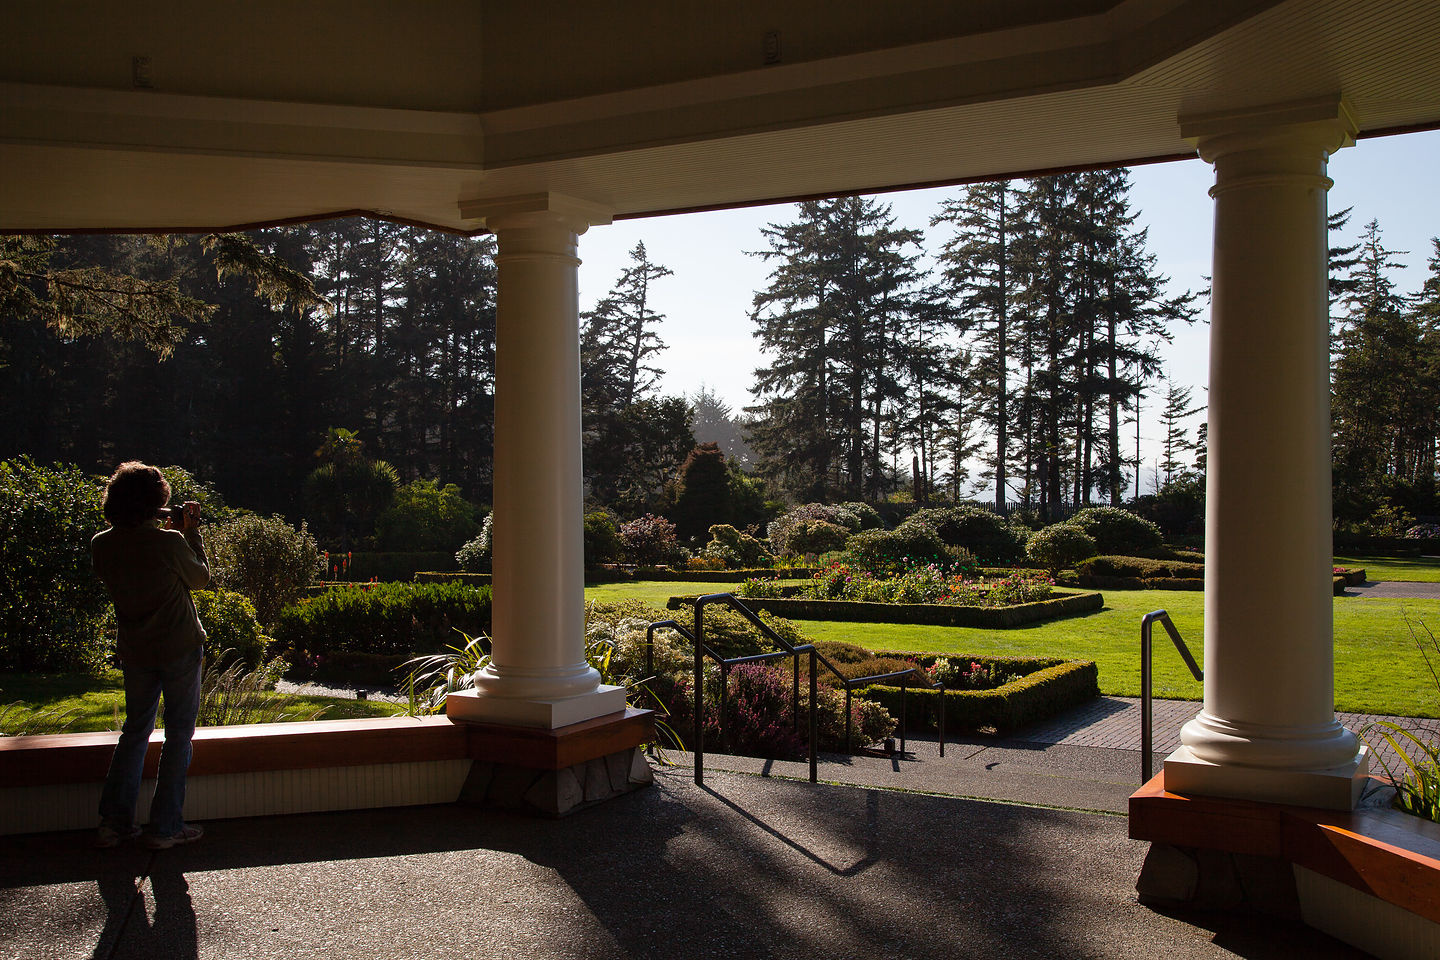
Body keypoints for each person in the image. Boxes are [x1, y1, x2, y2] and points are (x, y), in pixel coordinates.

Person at [91, 461, 209, 849]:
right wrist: (191, 535)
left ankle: (115, 822)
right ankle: (165, 827)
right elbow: (200, 579)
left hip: (136, 650)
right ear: (156, 501)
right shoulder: (169, 542)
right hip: (179, 646)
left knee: (135, 732)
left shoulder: (102, 543)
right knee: (178, 735)